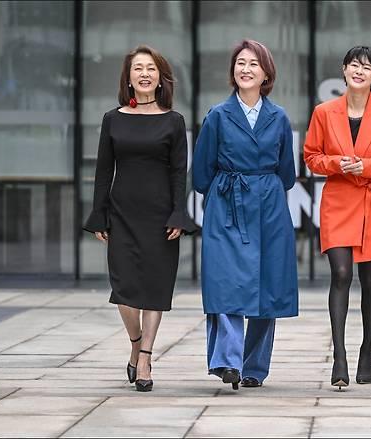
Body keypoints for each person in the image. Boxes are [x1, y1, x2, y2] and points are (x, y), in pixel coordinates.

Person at [84, 45, 197, 392]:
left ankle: (145, 357)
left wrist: (180, 212)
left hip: (161, 216)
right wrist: (99, 214)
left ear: (160, 78)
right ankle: (135, 342)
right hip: (121, 214)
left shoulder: (173, 121)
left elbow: (180, 173)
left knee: (155, 289)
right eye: (138, 69)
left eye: (151, 68)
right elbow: (103, 172)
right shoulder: (112, 119)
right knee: (124, 291)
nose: (144, 74)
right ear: (129, 79)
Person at [193, 39, 298, 391]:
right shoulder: (218, 116)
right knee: (224, 283)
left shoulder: (279, 117)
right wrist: (226, 193)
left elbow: (287, 172)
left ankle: (254, 367)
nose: (246, 69)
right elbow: (201, 174)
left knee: (267, 287)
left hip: (269, 207)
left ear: (266, 72)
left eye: (254, 63)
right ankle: (227, 361)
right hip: (226, 207)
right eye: (240, 62)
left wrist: (262, 188)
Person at [304, 46, 371, 389]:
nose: (359, 71)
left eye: (368, 67)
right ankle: (340, 355)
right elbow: (312, 157)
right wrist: (336, 163)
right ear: (344, 70)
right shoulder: (324, 112)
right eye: (354, 65)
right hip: (338, 200)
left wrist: (367, 167)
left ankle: (367, 350)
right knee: (341, 273)